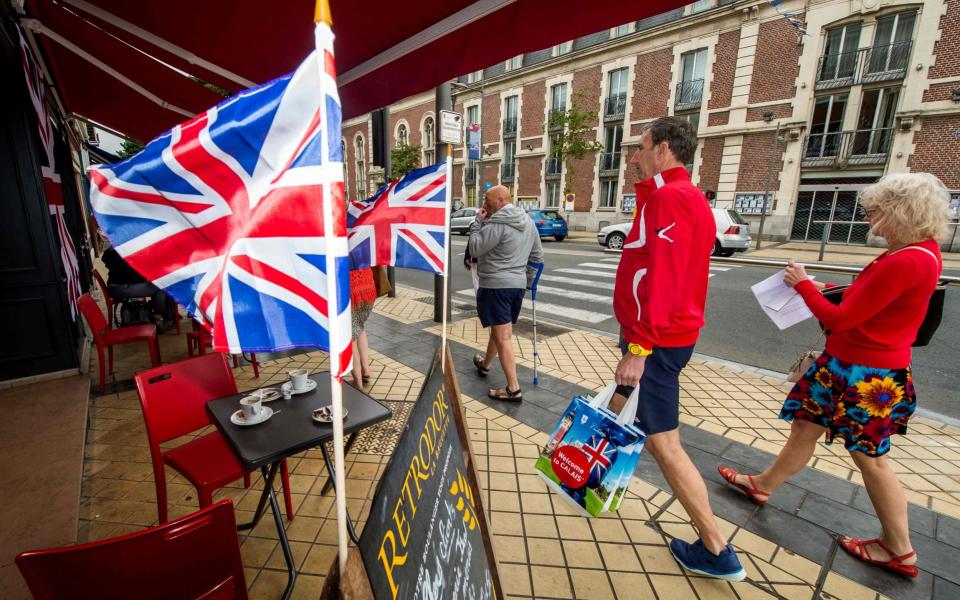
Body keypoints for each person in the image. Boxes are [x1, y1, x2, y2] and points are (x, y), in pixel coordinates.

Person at [719, 172, 950, 578]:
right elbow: (867, 299)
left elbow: (839, 319)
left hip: (865, 375)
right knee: (805, 429)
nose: (868, 220)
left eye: (875, 212)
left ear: (899, 212)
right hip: (850, 366)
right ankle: (762, 485)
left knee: (871, 460)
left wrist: (805, 287)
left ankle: (898, 547)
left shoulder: (908, 259)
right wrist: (817, 284)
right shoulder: (917, 251)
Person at [614, 117, 746, 581]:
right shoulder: (680, 195)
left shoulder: (673, 196)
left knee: (665, 444)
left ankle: (715, 546)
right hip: (664, 335)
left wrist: (639, 345)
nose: (633, 155)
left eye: (641, 147)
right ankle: (583, 470)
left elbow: (667, 278)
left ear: (663, 148)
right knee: (618, 404)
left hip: (658, 339)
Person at [468, 185, 543, 401]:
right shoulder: (528, 222)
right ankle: (486, 364)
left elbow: (475, 248)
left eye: (487, 199)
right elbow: (538, 256)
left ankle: (513, 388)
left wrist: (477, 223)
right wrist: (526, 282)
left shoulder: (496, 224)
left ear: (501, 200)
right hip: (516, 286)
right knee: (500, 329)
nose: (484, 203)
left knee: (504, 336)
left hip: (496, 286)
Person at [102, 246, 169, 325]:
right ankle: (160, 314)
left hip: (116, 286)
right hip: (120, 288)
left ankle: (159, 311)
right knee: (159, 287)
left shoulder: (118, 248)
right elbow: (138, 278)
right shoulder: (125, 254)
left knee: (158, 284)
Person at [349, 267, 377, 391]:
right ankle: (366, 370)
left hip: (352, 294)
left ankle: (358, 383)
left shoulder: (339, 248)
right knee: (359, 327)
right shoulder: (360, 247)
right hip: (369, 290)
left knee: (350, 337)